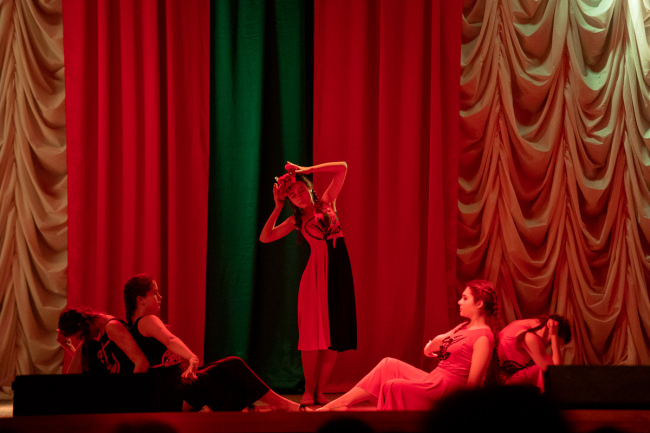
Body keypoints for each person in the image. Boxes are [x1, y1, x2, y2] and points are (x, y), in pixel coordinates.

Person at [124, 274, 305, 412]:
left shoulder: (135, 325)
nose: (160, 297)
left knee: (224, 372)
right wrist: (192, 357)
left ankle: (259, 409)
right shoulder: (147, 320)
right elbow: (170, 340)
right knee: (233, 365)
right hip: (176, 394)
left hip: (170, 396)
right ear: (141, 299)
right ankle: (287, 406)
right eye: (155, 293)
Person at [317, 280, 499, 411]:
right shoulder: (463, 327)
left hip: (445, 391)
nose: (460, 302)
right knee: (388, 364)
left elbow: (473, 386)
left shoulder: (483, 338)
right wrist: (441, 340)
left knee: (393, 385)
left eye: (465, 298)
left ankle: (389, 424)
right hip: (435, 378)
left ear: (479, 303)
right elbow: (428, 350)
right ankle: (340, 404)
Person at [259, 161, 356, 406]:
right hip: (315, 277)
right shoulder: (296, 220)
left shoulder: (328, 202)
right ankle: (308, 391)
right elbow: (265, 237)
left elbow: (342, 167)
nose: (299, 196)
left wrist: (305, 170)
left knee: (333, 336)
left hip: (339, 273)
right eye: (292, 195)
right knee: (313, 337)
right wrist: (277, 207)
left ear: (309, 188)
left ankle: (320, 391)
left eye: (301, 190)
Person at [57, 307, 149, 375]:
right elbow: (87, 364)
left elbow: (141, 362)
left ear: (82, 325)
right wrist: (69, 347)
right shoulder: (102, 333)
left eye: (81, 336)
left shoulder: (112, 327)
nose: (84, 339)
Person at [496, 314, 571, 392]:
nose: (548, 347)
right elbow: (555, 371)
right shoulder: (529, 337)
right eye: (550, 343)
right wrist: (554, 336)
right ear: (549, 329)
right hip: (502, 383)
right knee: (545, 373)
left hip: (505, 377)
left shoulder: (526, 324)